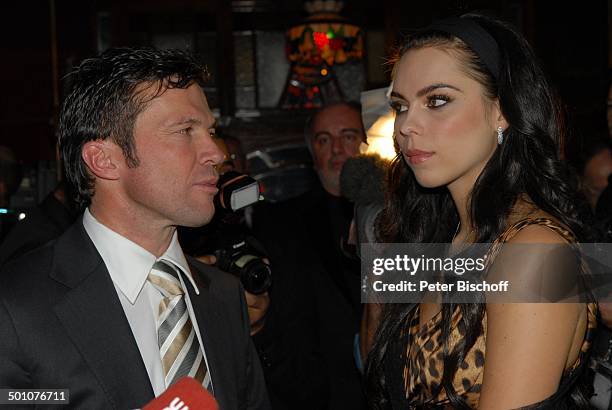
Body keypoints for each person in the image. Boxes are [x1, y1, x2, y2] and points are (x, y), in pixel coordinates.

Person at [0, 47, 270, 410]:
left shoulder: (224, 294)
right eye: (185, 130)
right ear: (105, 159)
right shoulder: (15, 305)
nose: (215, 152)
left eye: (210, 130)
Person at [365, 14, 597, 409]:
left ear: (502, 110)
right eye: (401, 105)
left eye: (437, 100)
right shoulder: (438, 237)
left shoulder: (536, 251)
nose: (406, 125)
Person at [251, 101, 368, 410]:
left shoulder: (404, 216)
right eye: (324, 140)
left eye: (348, 136)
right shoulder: (279, 223)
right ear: (312, 152)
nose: (337, 149)